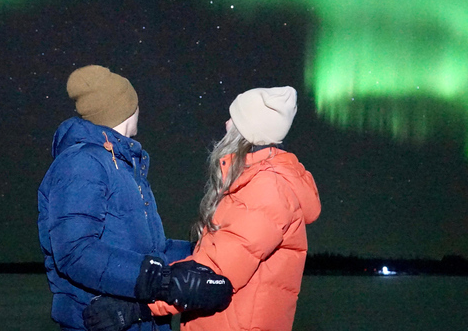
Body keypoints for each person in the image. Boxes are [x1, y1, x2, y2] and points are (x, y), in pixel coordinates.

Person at [84, 86, 321, 331]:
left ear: (249, 130)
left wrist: (137, 308)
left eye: (235, 118)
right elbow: (218, 256)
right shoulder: (257, 181)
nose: (227, 123)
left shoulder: (268, 188)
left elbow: (211, 276)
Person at [39, 65, 233, 331]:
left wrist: (202, 248)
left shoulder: (121, 166)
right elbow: (75, 251)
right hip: (100, 321)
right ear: (129, 108)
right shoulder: (82, 163)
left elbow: (151, 250)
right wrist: (161, 282)